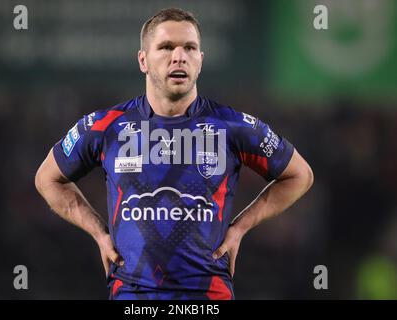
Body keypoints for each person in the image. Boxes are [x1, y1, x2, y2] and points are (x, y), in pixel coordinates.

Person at [35, 8, 314, 300]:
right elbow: (47, 179)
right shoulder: (107, 126)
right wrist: (99, 233)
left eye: (189, 48)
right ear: (143, 60)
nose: (179, 56)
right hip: (133, 298)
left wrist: (241, 227)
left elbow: (300, 175)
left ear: (200, 61)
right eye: (166, 47)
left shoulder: (232, 126)